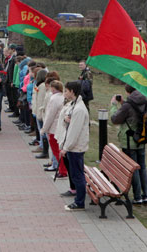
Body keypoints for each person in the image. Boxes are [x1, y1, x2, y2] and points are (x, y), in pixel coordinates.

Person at [110, 85, 147, 205]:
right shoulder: (144, 101)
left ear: (127, 92)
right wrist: (124, 103)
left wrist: (113, 105)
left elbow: (115, 119)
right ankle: (145, 195)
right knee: (142, 167)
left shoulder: (128, 105)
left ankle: (137, 197)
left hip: (129, 140)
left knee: (133, 169)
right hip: (141, 138)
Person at [59, 81, 90, 211]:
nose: (65, 93)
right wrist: (67, 119)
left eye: (66, 91)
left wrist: (66, 148)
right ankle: (79, 199)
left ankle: (80, 202)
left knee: (77, 175)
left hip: (76, 148)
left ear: (72, 91)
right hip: (74, 146)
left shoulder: (79, 109)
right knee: (76, 174)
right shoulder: (74, 105)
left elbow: (74, 131)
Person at [41, 80, 68, 178]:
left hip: (53, 128)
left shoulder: (53, 99)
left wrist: (44, 129)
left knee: (56, 151)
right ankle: (62, 169)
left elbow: (50, 115)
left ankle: (62, 171)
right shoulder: (63, 97)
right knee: (59, 149)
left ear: (53, 88)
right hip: (60, 127)